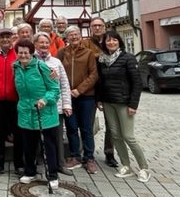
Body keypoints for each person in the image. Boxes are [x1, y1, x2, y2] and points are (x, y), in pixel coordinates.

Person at [97, 31, 150, 182]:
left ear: (119, 42)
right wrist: (99, 99)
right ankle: (125, 165)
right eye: (108, 41)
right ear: (104, 43)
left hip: (124, 103)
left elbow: (137, 82)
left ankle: (144, 167)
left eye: (114, 40)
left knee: (128, 136)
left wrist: (133, 104)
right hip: (108, 102)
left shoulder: (128, 58)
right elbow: (100, 82)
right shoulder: (102, 59)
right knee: (115, 135)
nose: (111, 43)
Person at [13, 39, 61, 190]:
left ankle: (52, 175)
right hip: (25, 112)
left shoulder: (42, 67)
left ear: (32, 53)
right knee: (28, 145)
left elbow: (55, 89)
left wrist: (45, 100)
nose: (23, 55)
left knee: (48, 146)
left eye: (26, 52)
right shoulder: (16, 68)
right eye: (20, 52)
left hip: (44, 113)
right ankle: (30, 171)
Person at [57, 25, 99, 174]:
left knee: (86, 128)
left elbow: (93, 75)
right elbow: (56, 70)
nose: (74, 37)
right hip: (68, 96)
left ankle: (89, 158)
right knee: (71, 127)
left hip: (86, 97)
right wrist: (65, 90)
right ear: (66, 38)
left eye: (76, 34)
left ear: (80, 36)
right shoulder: (62, 53)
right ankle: (75, 156)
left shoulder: (88, 53)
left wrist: (79, 90)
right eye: (70, 35)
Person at [0, 27, 24, 177]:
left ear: (12, 38)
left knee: (18, 133)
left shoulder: (19, 54)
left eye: (8, 37)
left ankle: (19, 164)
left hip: (16, 100)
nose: (5, 40)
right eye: (2, 37)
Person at [33, 32, 72, 176]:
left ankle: (60, 163)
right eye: (40, 42)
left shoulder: (56, 62)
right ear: (35, 44)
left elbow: (64, 84)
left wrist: (67, 105)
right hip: (38, 105)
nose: (44, 45)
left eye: (46, 43)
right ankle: (41, 163)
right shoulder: (31, 60)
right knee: (38, 137)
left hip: (55, 106)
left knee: (57, 136)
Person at [82, 16, 119, 168]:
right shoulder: (85, 43)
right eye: (94, 25)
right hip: (91, 88)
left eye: (100, 25)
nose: (97, 28)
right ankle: (88, 154)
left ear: (104, 26)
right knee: (87, 124)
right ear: (91, 27)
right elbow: (84, 58)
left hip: (107, 87)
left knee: (111, 124)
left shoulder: (110, 41)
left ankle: (109, 153)